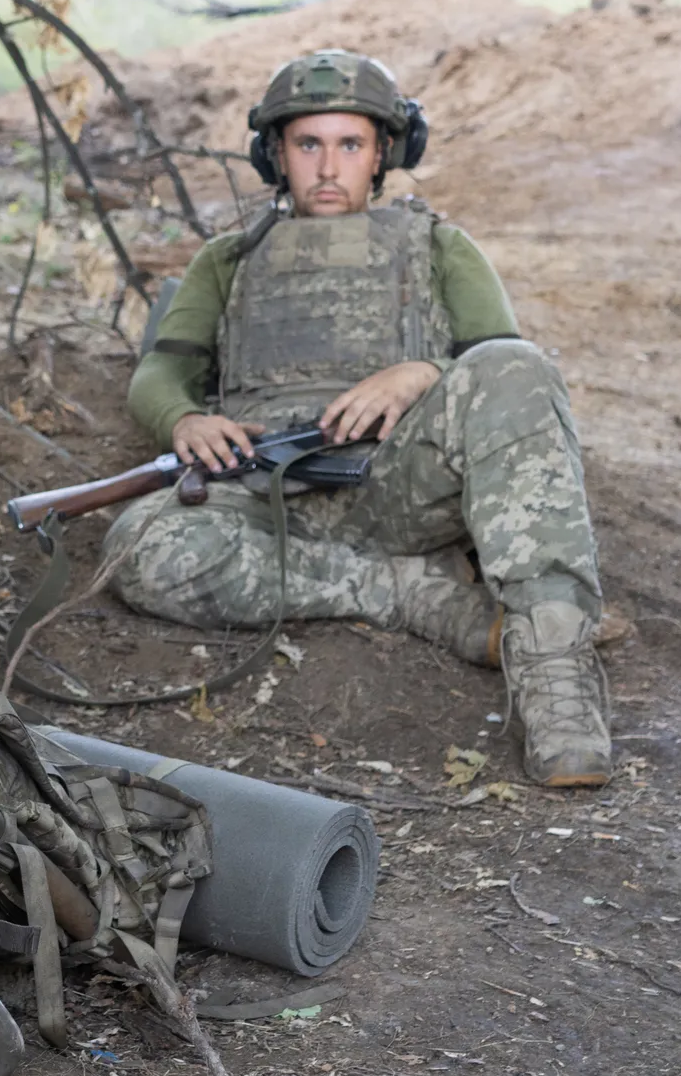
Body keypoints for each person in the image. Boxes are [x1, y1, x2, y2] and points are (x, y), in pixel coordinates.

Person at [104, 48, 613, 786]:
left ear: (383, 154)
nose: (327, 167)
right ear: (276, 153)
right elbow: (159, 372)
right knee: (138, 546)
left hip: (399, 487)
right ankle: (415, 595)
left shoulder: (436, 246)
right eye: (308, 144)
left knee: (520, 366)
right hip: (269, 499)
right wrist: (184, 419)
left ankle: (555, 671)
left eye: (350, 144)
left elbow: (506, 370)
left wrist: (423, 373)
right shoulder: (229, 260)